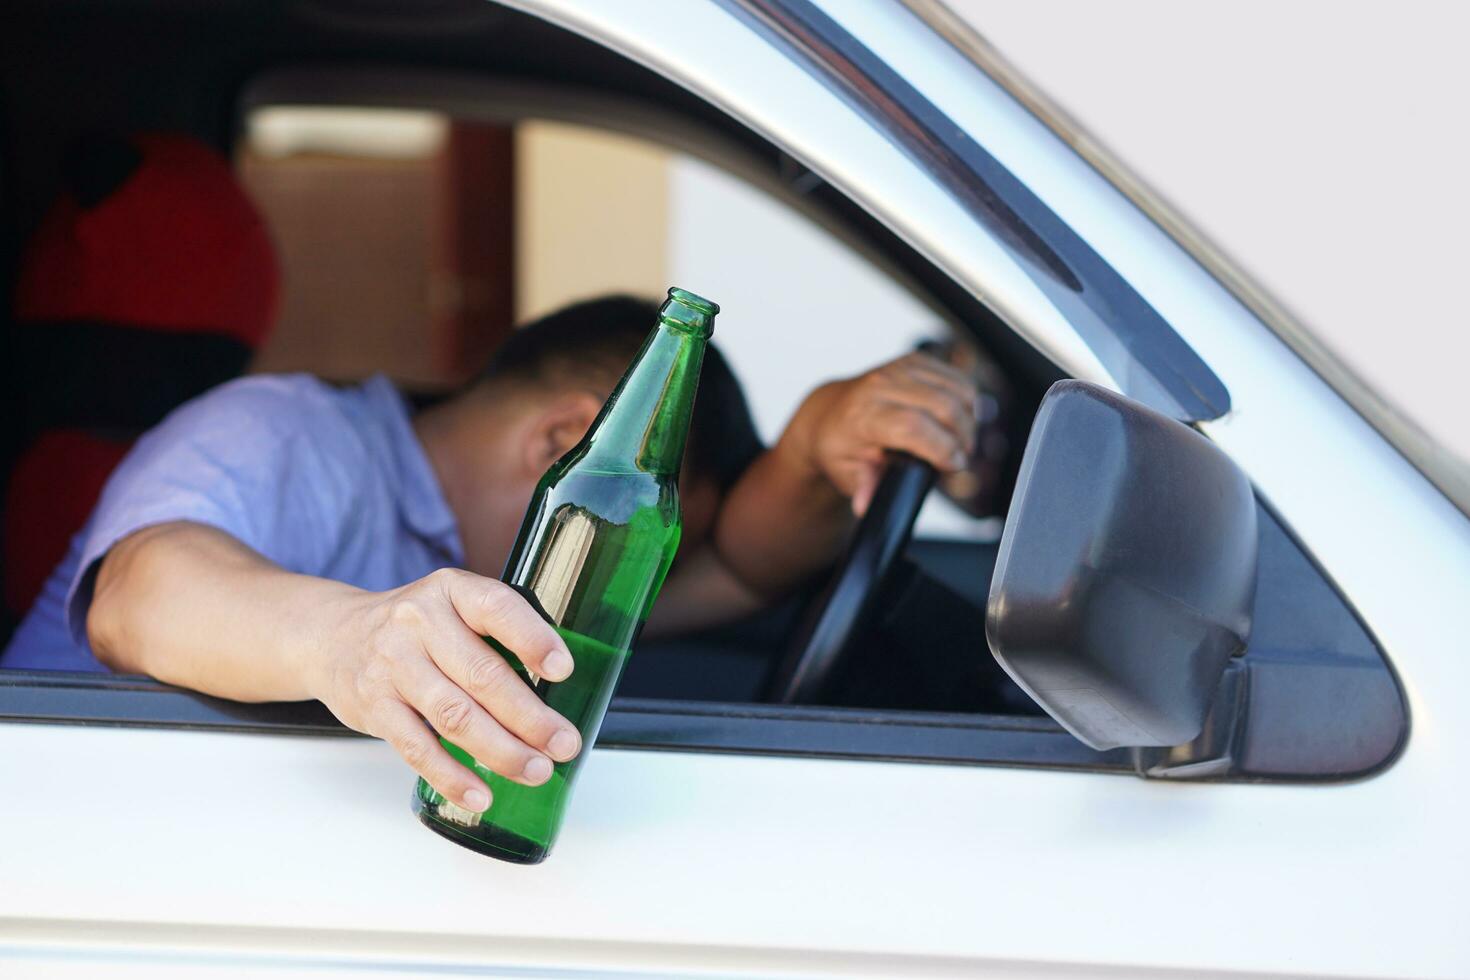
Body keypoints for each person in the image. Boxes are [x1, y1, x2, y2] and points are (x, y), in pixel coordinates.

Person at [2, 296, 979, 816]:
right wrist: (351, 638)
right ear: (561, 442)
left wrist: (816, 443)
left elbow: (747, 568)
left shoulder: (519, 586)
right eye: (645, 519)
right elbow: (138, 595)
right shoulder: (288, 432)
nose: (647, 560)